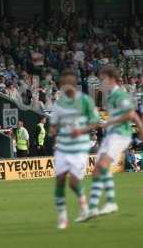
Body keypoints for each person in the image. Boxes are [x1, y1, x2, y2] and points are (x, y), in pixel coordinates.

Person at [81, 65, 143, 221]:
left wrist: (142, 133)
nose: (100, 82)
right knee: (98, 169)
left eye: (102, 79)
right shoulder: (110, 97)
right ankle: (98, 206)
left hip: (121, 135)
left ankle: (105, 204)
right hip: (111, 135)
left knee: (102, 166)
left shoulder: (120, 94)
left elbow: (132, 115)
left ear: (111, 78)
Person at [50, 70, 100, 229]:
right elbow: (54, 123)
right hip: (62, 148)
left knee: (73, 182)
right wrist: (53, 129)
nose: (65, 87)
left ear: (73, 84)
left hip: (79, 148)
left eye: (67, 83)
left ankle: (84, 205)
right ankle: (63, 218)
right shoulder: (59, 103)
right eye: (62, 84)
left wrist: (82, 130)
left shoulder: (85, 101)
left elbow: (95, 122)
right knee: (59, 181)